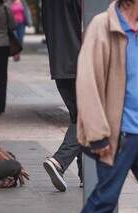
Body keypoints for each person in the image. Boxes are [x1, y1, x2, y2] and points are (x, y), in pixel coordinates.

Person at [76, 0, 138, 212]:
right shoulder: (102, 26)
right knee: (105, 201)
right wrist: (98, 135)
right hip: (118, 137)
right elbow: (87, 83)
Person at [42, 0, 82, 192]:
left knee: (79, 117)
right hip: (81, 65)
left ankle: (86, 175)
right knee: (89, 119)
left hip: (59, 66)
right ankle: (59, 161)